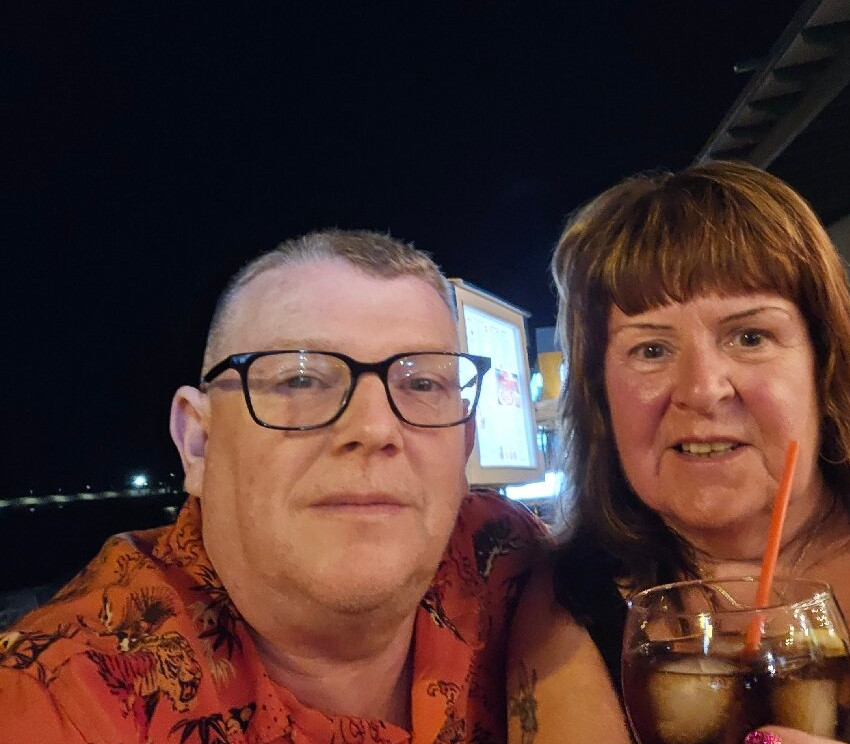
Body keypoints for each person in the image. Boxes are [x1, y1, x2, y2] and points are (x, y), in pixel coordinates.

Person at [506, 160, 850, 744]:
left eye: (750, 336)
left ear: (823, 364)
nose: (703, 389)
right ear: (599, 395)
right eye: (650, 349)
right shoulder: (568, 602)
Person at [0, 229, 545, 744]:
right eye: (300, 380)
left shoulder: (511, 560)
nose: (375, 427)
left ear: (464, 444)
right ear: (199, 442)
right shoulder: (62, 702)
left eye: (422, 383)